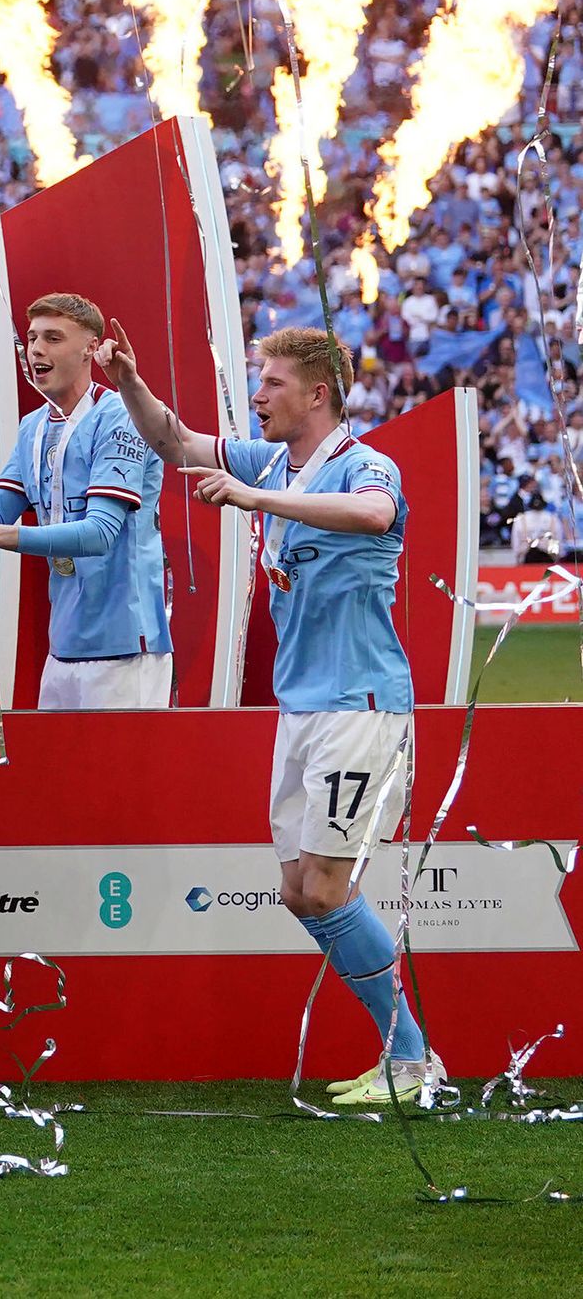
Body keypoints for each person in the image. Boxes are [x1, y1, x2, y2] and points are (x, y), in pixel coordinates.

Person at [102, 321, 440, 1105]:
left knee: (324, 886)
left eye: (273, 383)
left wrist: (254, 498)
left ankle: (414, 1059)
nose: (258, 396)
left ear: (317, 393)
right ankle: (406, 1053)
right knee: (297, 890)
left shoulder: (365, 464)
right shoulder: (276, 459)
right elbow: (176, 442)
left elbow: (374, 518)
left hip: (360, 703)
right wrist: (128, 381)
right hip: (301, 709)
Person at [0, 293, 172, 708]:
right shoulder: (33, 426)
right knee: (56, 773)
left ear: (91, 349)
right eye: (33, 337)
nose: (37, 349)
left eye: (53, 338)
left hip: (126, 645)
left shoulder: (123, 415)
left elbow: (100, 534)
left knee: (116, 775)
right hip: (63, 646)